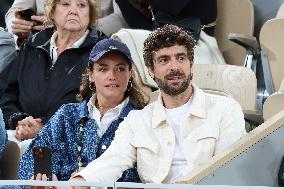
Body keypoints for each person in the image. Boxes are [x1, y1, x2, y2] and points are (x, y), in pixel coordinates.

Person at [69, 24, 246, 184]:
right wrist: (78, 182)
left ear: (191, 64)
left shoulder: (226, 110)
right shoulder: (137, 120)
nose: (174, 67)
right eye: (164, 60)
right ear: (151, 70)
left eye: (181, 58)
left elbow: (228, 173)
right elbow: (113, 160)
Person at [18, 38, 148, 183]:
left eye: (120, 69)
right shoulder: (66, 114)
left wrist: (87, 180)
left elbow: (145, 175)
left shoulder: (142, 119)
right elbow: (36, 154)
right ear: (91, 74)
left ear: (130, 74)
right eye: (103, 68)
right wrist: (45, 176)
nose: (112, 76)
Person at [0, 0, 106, 143]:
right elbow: (6, 93)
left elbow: (100, 108)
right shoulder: (33, 45)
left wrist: (45, 126)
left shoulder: (102, 53)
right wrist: (18, 119)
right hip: (18, 136)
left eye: (81, 5)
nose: (73, 11)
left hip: (69, 144)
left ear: (90, 13)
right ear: (52, 12)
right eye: (65, 4)